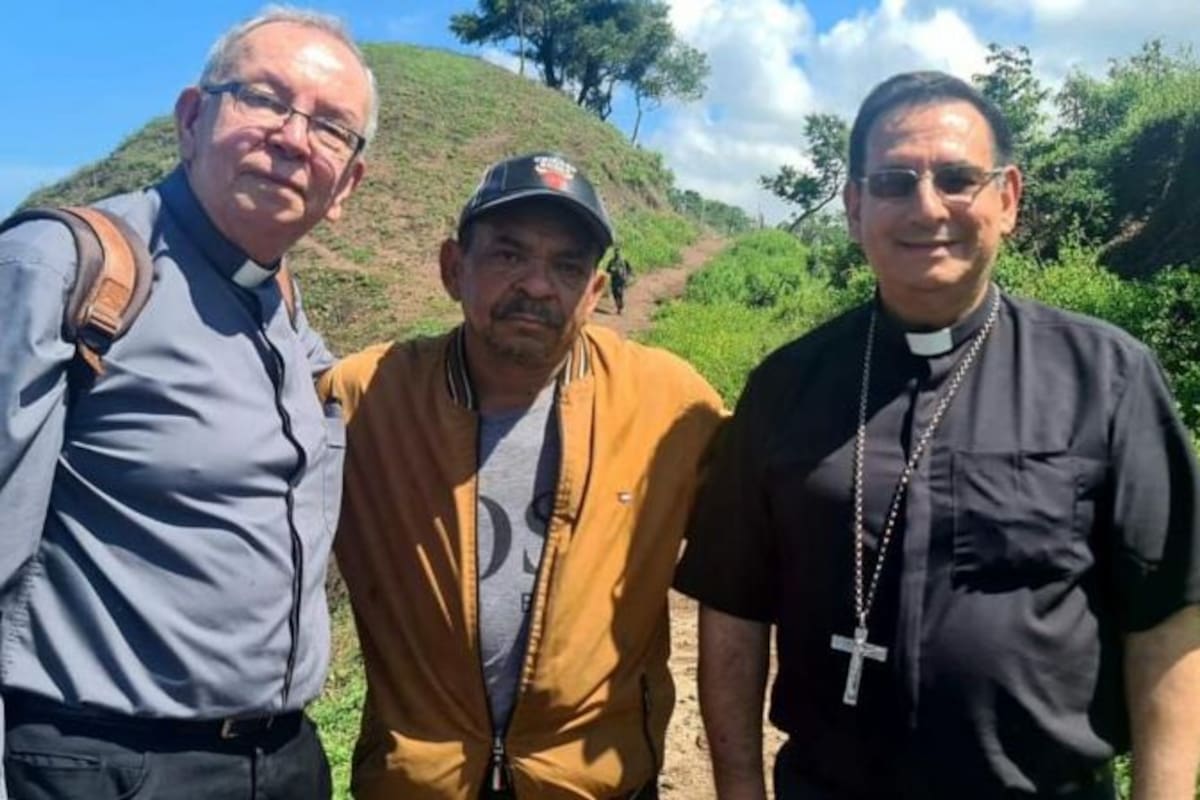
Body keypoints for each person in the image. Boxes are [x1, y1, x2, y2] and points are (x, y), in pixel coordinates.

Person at [675, 71, 1200, 800]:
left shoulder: (1108, 378)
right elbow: (732, 610)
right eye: (893, 182)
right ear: (855, 207)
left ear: (1008, 198)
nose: (927, 207)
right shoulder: (784, 387)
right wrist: (739, 791)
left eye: (957, 178)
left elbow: (1168, 618)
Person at [0, 7, 376, 799]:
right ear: (192, 118)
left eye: (332, 128)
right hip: (109, 764)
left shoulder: (281, 303)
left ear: (346, 185)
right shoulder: (63, 269)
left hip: (281, 761)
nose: (293, 136)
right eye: (265, 99)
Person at [320, 151, 725, 799]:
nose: (538, 285)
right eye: (508, 255)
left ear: (594, 291)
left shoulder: (670, 404)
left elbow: (771, 528)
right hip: (419, 782)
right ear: (454, 268)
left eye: (567, 266)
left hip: (597, 783)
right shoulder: (366, 397)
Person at [606, 245, 633, 314]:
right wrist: (611, 271)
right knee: (615, 293)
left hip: (621, 280)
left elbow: (629, 269)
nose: (617, 254)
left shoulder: (623, 261)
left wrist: (628, 276)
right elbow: (607, 270)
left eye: (618, 252)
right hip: (614, 280)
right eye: (616, 252)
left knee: (619, 293)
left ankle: (620, 307)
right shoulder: (611, 262)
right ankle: (618, 306)